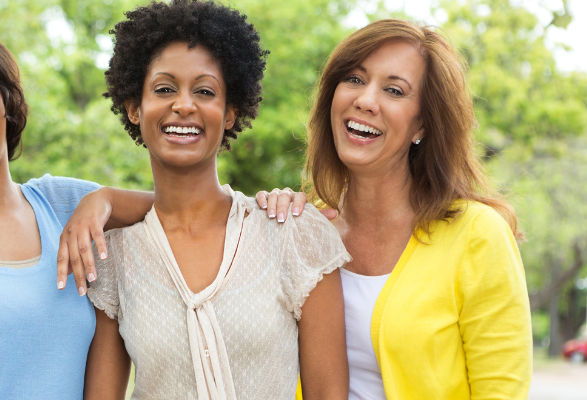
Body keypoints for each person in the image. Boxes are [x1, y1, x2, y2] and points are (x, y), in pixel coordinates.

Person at [84, 1, 350, 399]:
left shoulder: (293, 234)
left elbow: (328, 393)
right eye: (164, 89)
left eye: (205, 91)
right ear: (134, 107)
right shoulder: (115, 259)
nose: (184, 105)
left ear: (229, 112)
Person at [302, 19, 532, 399]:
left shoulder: (478, 234)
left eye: (394, 90)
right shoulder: (305, 227)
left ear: (422, 125)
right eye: (355, 80)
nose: (366, 100)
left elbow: (501, 391)